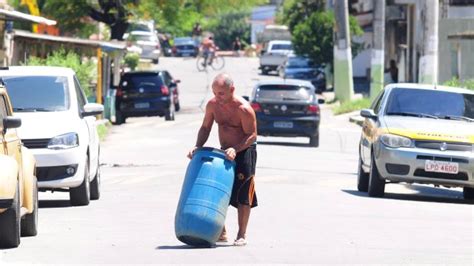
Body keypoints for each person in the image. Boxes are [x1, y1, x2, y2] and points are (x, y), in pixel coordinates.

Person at [187, 73, 258, 246]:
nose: (217, 97)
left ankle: (241, 234)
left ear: (231, 90)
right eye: (214, 93)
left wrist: (236, 148)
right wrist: (197, 146)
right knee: (217, 191)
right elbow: (205, 127)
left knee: (243, 194)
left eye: (221, 93)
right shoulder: (212, 105)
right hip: (224, 152)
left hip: (244, 151)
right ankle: (221, 231)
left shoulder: (243, 109)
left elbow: (252, 135)